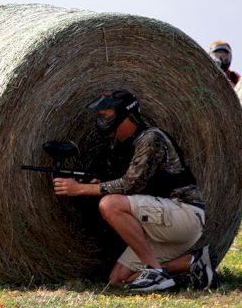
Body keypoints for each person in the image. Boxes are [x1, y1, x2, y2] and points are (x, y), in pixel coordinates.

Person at [53, 89, 214, 292]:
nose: (102, 121)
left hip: (184, 214)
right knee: (118, 280)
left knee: (109, 204)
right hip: (160, 225)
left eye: (106, 115)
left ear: (125, 116)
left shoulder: (151, 139)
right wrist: (98, 182)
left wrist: (81, 189)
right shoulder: (125, 145)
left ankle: (154, 271)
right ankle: (191, 263)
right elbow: (127, 185)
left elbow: (130, 185)